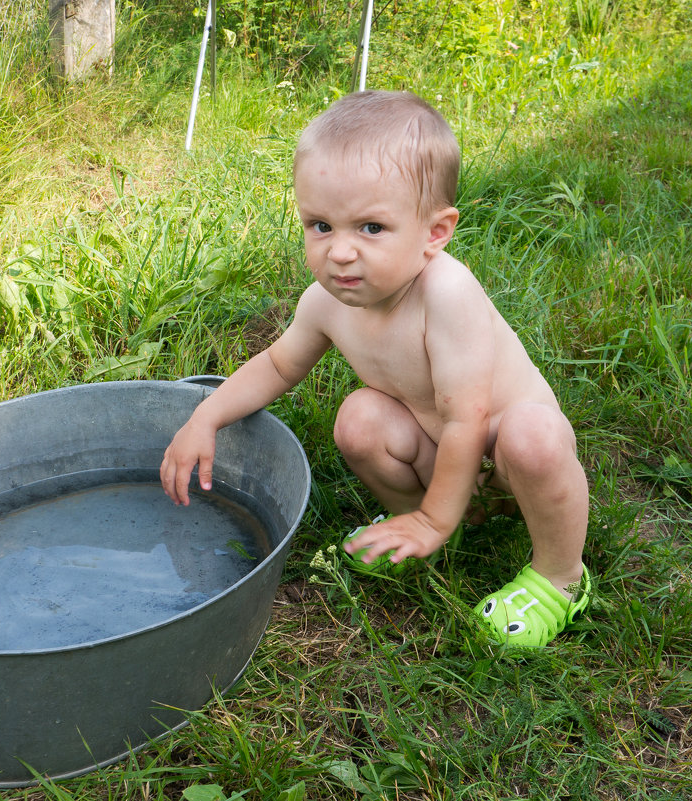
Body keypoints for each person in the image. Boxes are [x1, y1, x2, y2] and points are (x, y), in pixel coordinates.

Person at [159, 90, 591, 648]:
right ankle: (423, 527)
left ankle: (560, 577)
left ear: (435, 233)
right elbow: (276, 364)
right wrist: (206, 417)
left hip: (509, 458)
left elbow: (469, 419)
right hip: (445, 456)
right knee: (359, 419)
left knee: (534, 434)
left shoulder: (448, 294)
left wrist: (437, 515)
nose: (339, 252)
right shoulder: (325, 302)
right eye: (320, 225)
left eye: (370, 228)